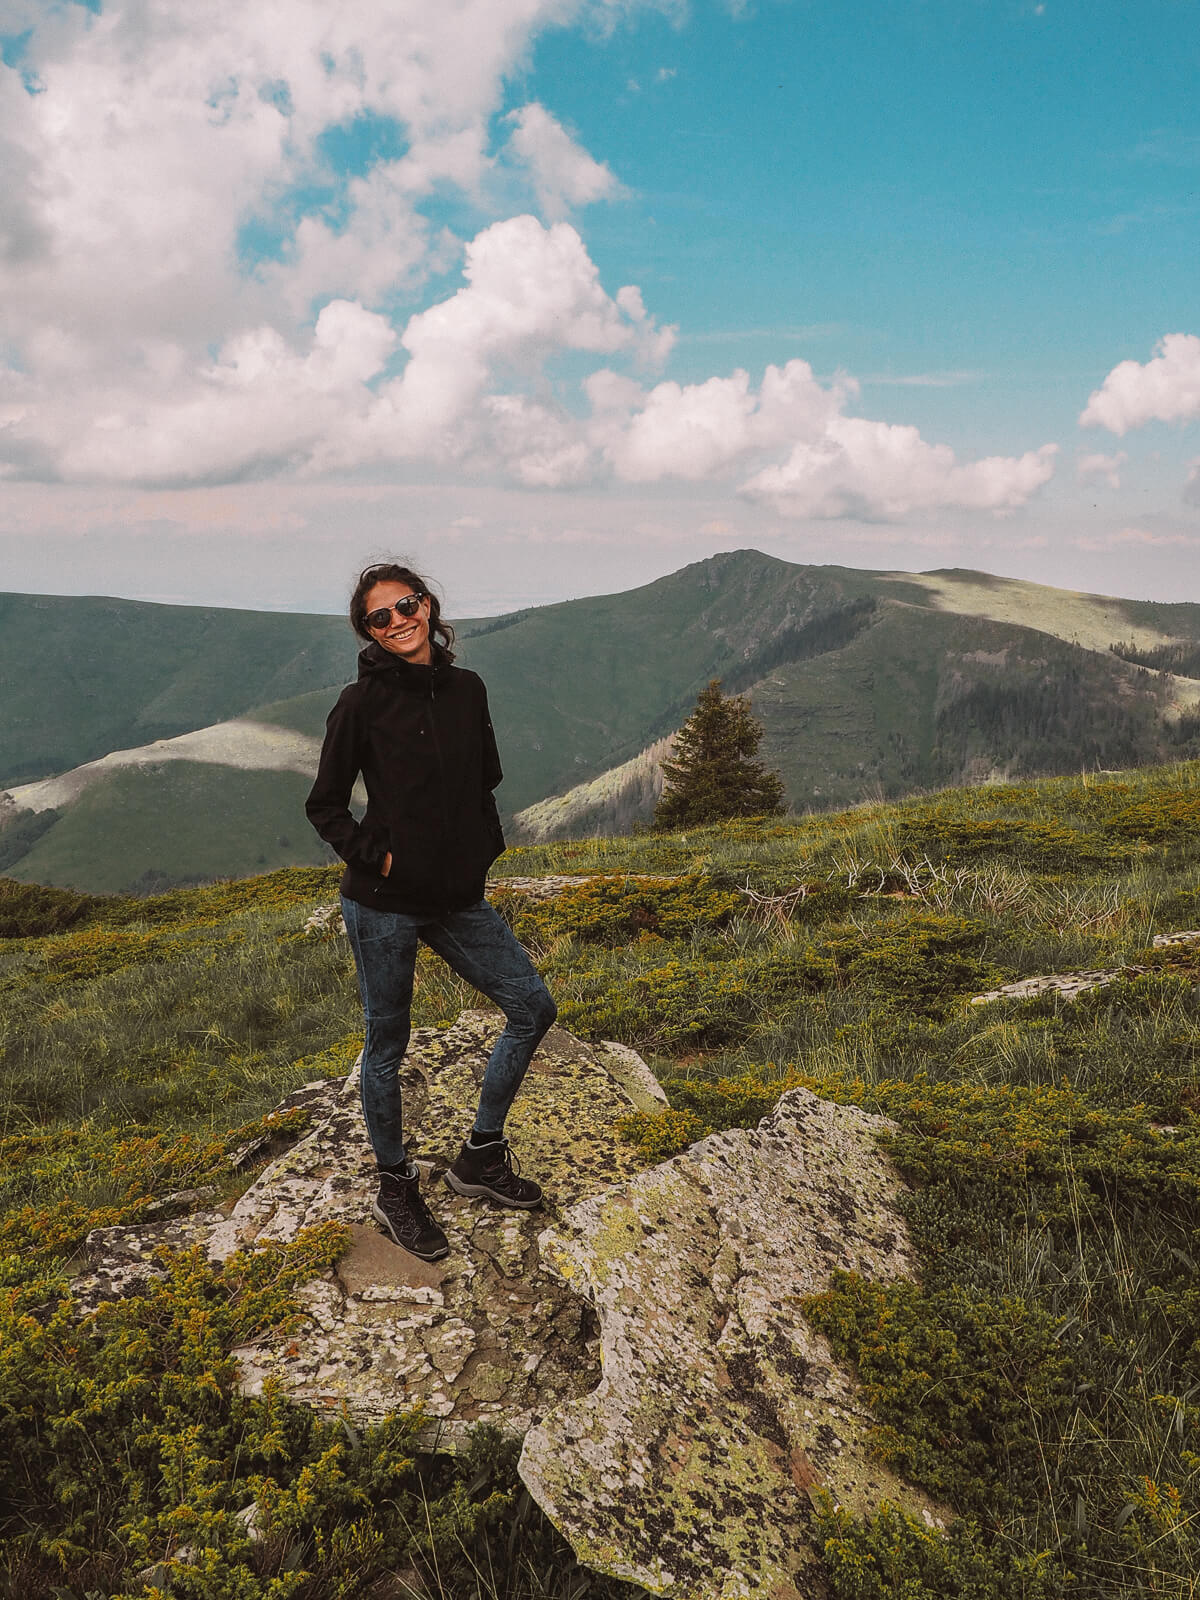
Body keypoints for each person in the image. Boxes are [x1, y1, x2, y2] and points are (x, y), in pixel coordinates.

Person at [305, 561, 557, 1262]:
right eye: (379, 618)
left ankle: (480, 1156)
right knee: (387, 1043)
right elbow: (324, 804)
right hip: (383, 904)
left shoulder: (466, 689)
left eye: (405, 605)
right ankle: (395, 1185)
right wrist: (376, 857)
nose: (397, 622)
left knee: (532, 1006)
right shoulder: (359, 705)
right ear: (369, 633)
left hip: (455, 897)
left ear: (427, 605)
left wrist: (481, 851)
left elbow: (485, 779)